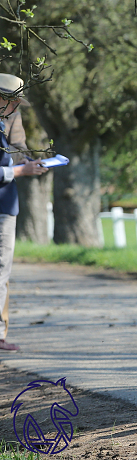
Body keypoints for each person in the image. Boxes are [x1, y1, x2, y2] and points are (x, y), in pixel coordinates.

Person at [0, 73, 49, 352]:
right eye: (14, 101)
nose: (18, 106)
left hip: (5, 199)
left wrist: (29, 163)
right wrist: (19, 169)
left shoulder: (12, 117)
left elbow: (16, 151)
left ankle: (0, 332)